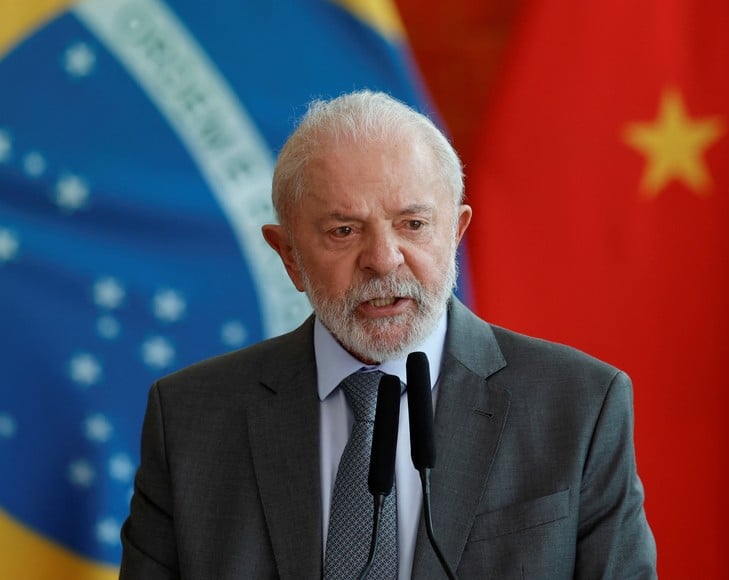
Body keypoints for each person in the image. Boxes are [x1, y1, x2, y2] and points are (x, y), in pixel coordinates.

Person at [119, 90, 656, 579]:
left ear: (457, 232)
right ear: (289, 256)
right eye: (343, 231)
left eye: (413, 224)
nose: (382, 260)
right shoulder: (190, 419)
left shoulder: (579, 405)